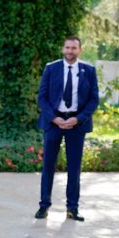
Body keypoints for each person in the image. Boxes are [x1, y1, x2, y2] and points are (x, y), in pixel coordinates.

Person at [35, 36, 99, 221]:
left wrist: (78, 119)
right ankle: (43, 206)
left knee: (74, 168)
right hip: (53, 122)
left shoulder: (89, 70)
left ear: (80, 50)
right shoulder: (51, 68)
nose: (70, 51)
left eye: (74, 48)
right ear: (63, 49)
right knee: (48, 166)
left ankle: (72, 209)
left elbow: (93, 100)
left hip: (76, 124)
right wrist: (54, 118)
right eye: (67, 48)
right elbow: (42, 97)